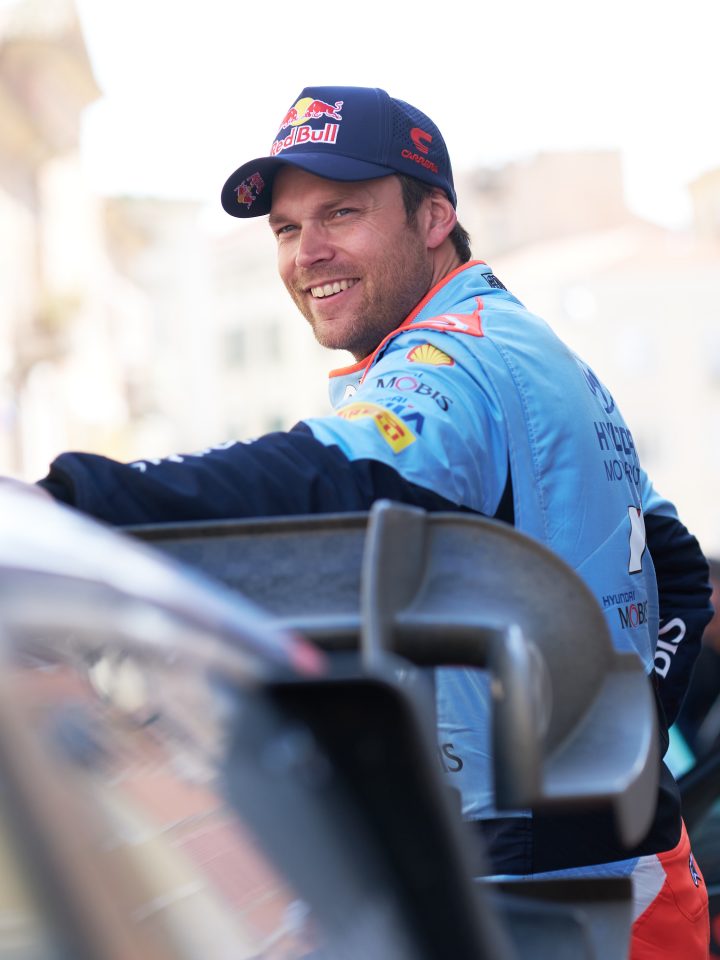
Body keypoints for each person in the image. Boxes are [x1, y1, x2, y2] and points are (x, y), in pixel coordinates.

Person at [17, 86, 715, 957]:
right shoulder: (523, 347)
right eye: (285, 228)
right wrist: (618, 748)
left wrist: (66, 502)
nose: (307, 253)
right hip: (610, 877)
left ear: (435, 216)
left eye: (341, 213)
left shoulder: (455, 358)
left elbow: (331, 475)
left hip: (554, 902)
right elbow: (676, 564)